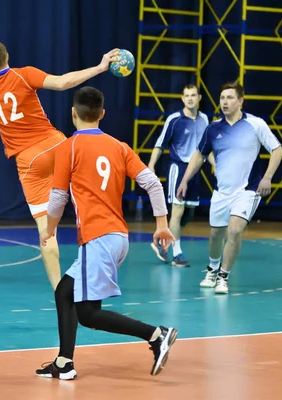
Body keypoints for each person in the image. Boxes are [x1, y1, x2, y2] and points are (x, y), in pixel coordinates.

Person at [35, 86, 178, 380]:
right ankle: (64, 362)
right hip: (117, 238)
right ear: (102, 114)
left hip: (98, 238)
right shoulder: (119, 146)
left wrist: (48, 230)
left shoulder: (68, 147)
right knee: (65, 292)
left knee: (88, 314)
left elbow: (59, 197)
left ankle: (156, 334)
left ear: (73, 113)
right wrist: (162, 225)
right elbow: (153, 184)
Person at [0, 26, 119, 290]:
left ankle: (59, 289)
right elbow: (62, 82)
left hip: (29, 161)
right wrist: (100, 67)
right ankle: (103, 258)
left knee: (46, 231)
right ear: (8, 57)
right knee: (88, 201)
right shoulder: (24, 75)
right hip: (55, 145)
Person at [177, 81, 282, 294]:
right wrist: (185, 179)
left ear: (240, 101)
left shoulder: (256, 125)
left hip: (248, 190)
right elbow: (200, 155)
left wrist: (268, 177)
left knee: (234, 230)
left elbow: (277, 149)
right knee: (216, 234)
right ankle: (212, 269)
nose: (225, 102)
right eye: (222, 98)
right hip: (221, 191)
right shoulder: (213, 128)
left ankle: (223, 276)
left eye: (230, 98)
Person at [147, 84, 214, 267]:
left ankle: (162, 241)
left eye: (193, 95)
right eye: (187, 95)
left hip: (195, 171)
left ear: (199, 98)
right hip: (178, 169)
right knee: (178, 211)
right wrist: (151, 166)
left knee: (189, 214)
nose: (190, 98)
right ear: (182, 98)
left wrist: (216, 166)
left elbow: (206, 149)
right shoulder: (174, 119)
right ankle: (177, 254)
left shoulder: (204, 119)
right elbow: (160, 144)